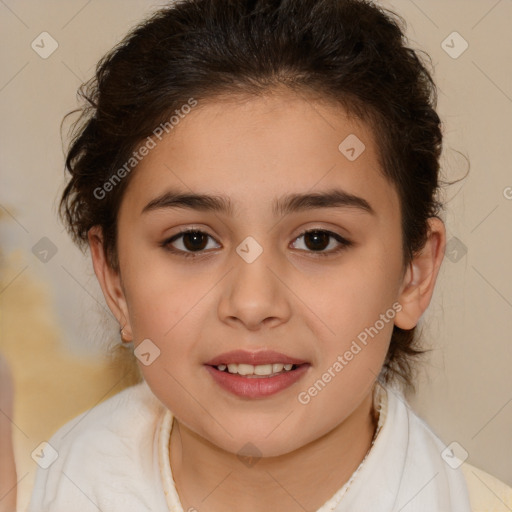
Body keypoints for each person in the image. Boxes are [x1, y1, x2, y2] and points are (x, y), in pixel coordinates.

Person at [25, 0, 512, 510]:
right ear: (116, 280)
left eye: (318, 240)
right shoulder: (30, 491)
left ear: (414, 274)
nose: (253, 304)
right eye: (193, 240)